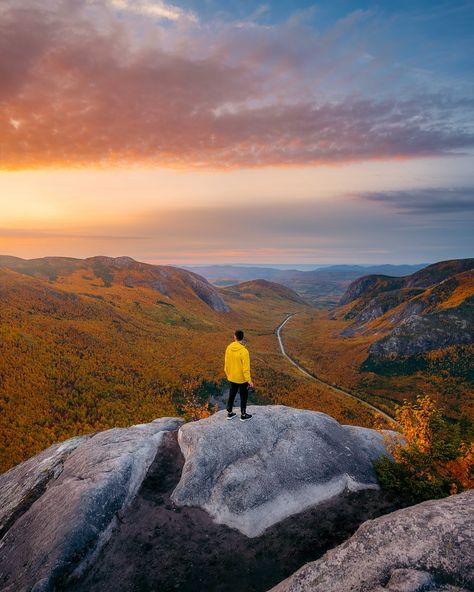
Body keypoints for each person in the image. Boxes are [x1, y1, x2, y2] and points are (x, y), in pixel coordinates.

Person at [224, 329, 254, 421]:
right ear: (242, 338)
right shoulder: (244, 351)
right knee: (243, 396)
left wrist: (228, 374)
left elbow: (226, 363)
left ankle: (229, 413)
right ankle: (243, 415)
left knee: (232, 394)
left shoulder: (229, 347)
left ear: (235, 337)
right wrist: (249, 380)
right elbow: (246, 368)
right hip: (242, 379)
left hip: (232, 377)